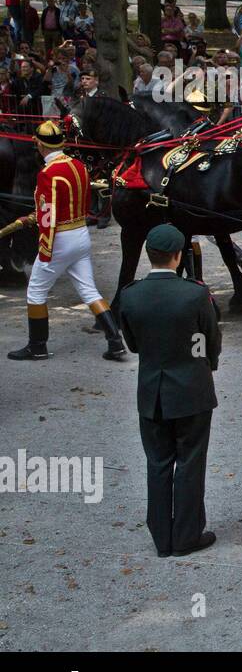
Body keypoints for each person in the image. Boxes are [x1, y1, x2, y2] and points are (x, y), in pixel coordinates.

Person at [116, 224, 221, 557]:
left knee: (158, 463)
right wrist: (208, 364)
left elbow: (132, 344)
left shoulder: (130, 294)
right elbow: (209, 339)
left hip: (151, 391)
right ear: (178, 257)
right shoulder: (194, 294)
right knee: (190, 462)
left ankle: (162, 538)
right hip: (191, 389)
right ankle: (187, 535)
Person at [4, 120, 127, 362]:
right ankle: (115, 341)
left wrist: (45, 248)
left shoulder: (47, 174)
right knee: (89, 289)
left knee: (36, 291)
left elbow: (48, 216)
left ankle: (37, 346)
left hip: (58, 238)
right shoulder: (79, 165)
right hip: (80, 234)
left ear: (40, 145)